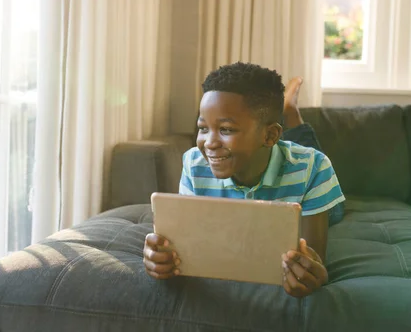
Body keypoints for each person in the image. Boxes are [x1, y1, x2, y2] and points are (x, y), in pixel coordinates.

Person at [143, 62, 345, 297]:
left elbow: (314, 260)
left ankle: (290, 111)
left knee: (307, 152)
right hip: (271, 150)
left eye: (226, 130)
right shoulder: (194, 163)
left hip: (311, 182)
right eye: (203, 128)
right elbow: (189, 242)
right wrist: (161, 257)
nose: (209, 143)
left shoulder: (314, 168)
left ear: (270, 135)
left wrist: (310, 273)